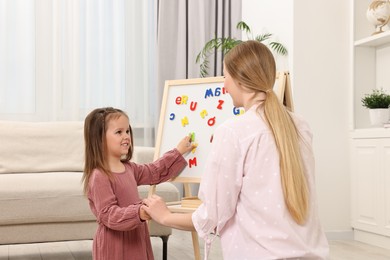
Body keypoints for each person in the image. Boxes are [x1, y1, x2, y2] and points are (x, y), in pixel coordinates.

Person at [142, 41, 330, 259]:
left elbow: (213, 214)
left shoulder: (233, 132)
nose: (224, 86)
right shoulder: (300, 125)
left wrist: (165, 216)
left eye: (225, 77)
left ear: (239, 80)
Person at [82, 107, 196, 260]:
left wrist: (178, 152)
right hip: (115, 244)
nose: (126, 136)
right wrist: (139, 212)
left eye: (127, 131)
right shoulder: (99, 176)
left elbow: (154, 171)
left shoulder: (130, 168)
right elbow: (109, 214)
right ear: (100, 138)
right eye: (119, 132)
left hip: (136, 236)